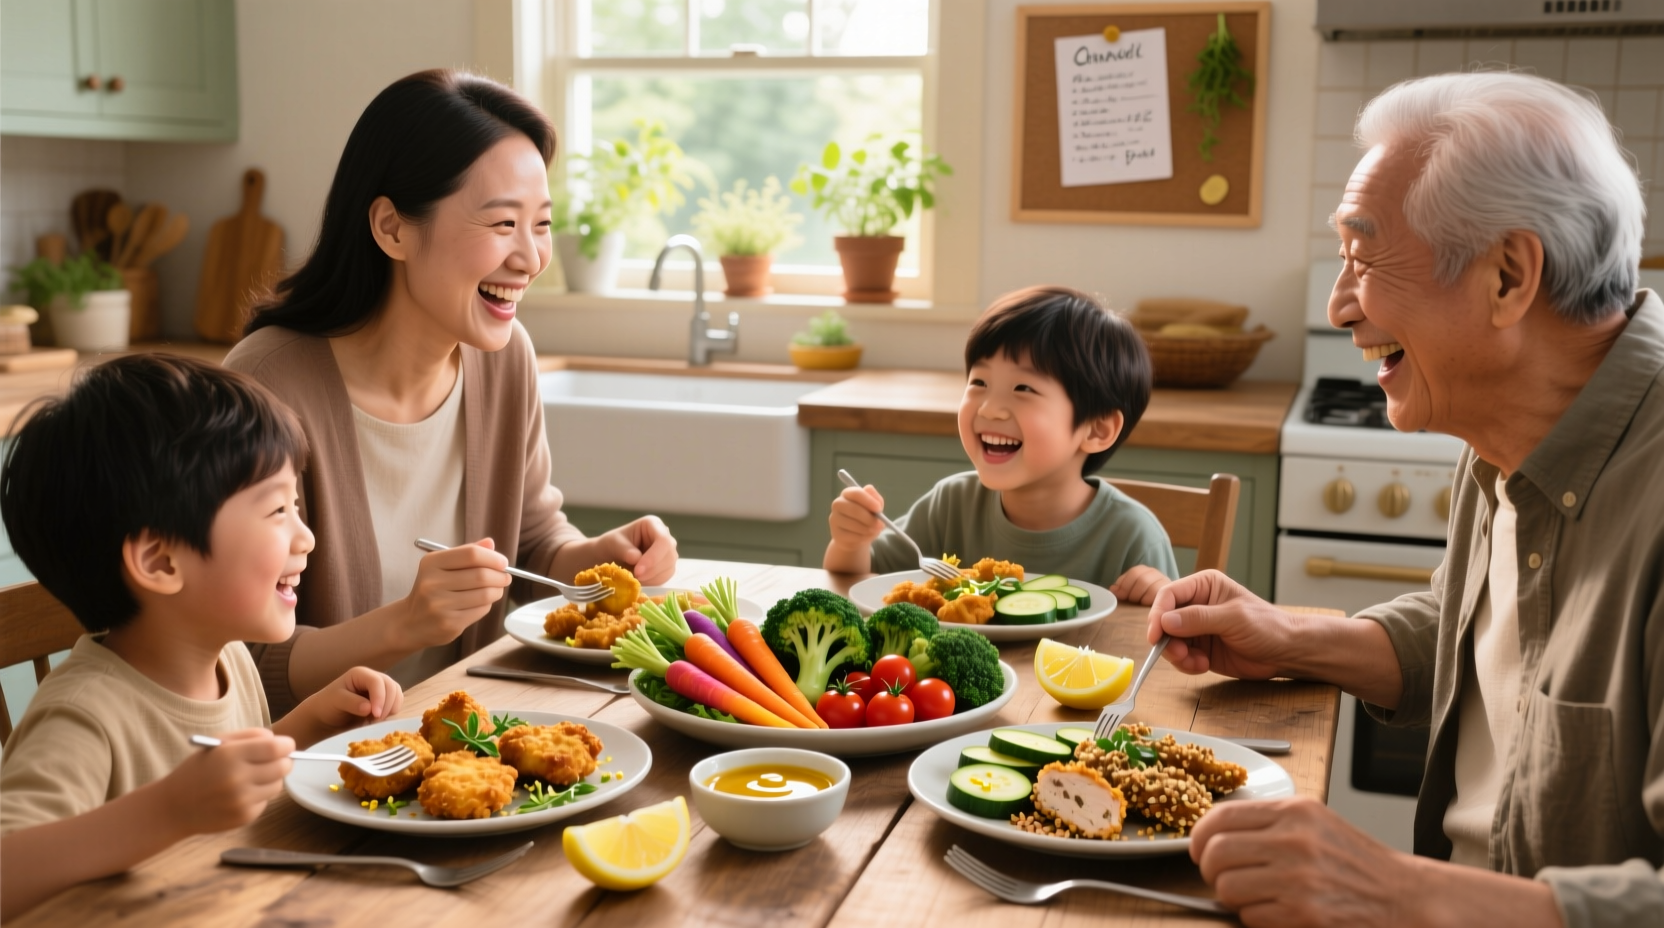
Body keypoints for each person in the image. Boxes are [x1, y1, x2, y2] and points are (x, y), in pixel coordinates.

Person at [1147, 72, 1664, 928]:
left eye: (1364, 256)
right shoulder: (1509, 424)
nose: (1339, 305)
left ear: (1507, 276)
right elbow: (1487, 634)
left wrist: (1392, 891)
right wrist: (1295, 637)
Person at [224, 70, 678, 714]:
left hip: (471, 738)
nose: (530, 258)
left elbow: (530, 539)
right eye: (502, 224)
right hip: (326, 769)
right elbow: (237, 658)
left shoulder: (504, 356)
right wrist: (404, 624)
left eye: (541, 224)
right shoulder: (269, 384)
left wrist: (589, 562)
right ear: (393, 229)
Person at [0, 354, 404, 920]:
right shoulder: (83, 715)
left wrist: (308, 724)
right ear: (161, 560)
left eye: (297, 505)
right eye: (277, 510)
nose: (306, 537)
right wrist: (165, 812)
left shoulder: (229, 660)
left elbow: (224, 779)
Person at [825, 285, 1178, 603]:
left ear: (1097, 430)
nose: (990, 408)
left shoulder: (1133, 537)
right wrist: (850, 543)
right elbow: (859, 581)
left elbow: (1167, 647)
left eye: (1023, 388)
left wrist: (1156, 594)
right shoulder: (950, 504)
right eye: (979, 382)